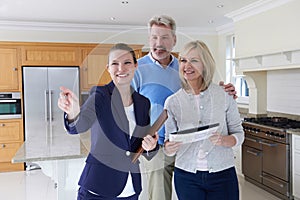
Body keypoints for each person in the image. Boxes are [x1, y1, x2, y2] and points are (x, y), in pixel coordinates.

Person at [132, 15, 238, 200]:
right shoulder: (137, 69)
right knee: (159, 196)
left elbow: (203, 94)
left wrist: (224, 91)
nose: (159, 43)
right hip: (158, 147)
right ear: (149, 39)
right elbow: (126, 110)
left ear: (174, 40)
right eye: (154, 37)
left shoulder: (183, 65)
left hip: (192, 145)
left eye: (165, 37)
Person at [57, 43, 159, 200]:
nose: (121, 69)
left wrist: (151, 146)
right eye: (115, 64)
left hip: (131, 188)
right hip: (98, 188)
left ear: (135, 66)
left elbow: (142, 142)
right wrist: (73, 112)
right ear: (108, 68)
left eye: (127, 63)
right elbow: (79, 126)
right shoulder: (100, 96)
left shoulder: (143, 103)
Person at [163, 40, 244, 200]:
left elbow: (239, 134)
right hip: (186, 177)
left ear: (205, 64)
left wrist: (224, 141)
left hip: (223, 175)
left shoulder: (224, 95)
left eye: (194, 60)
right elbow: (167, 143)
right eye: (183, 60)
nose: (187, 65)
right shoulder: (172, 102)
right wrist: (169, 147)